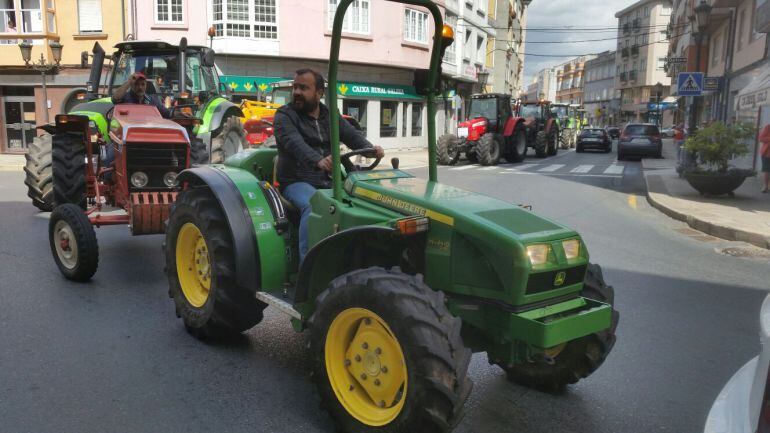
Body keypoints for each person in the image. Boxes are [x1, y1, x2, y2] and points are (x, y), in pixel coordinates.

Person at [274, 68, 384, 263]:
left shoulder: (330, 115)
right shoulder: (285, 116)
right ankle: (307, 267)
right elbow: (294, 143)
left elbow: (353, 137)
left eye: (303, 88)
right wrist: (317, 160)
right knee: (314, 205)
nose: (297, 92)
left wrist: (370, 149)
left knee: (365, 201)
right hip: (296, 179)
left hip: (328, 179)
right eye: (295, 87)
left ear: (319, 93)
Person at [759, 124, 770, 193]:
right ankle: (765, 186)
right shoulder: (768, 127)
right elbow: (761, 138)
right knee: (766, 170)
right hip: (767, 153)